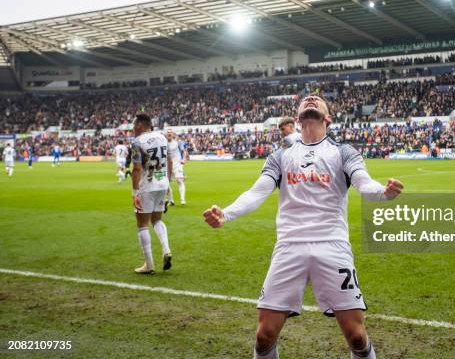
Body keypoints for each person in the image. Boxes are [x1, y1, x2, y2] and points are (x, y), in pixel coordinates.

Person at [203, 95, 404, 359]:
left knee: (356, 336)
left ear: (328, 117)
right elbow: (258, 191)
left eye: (318, 100)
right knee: (263, 336)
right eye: (306, 100)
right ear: (297, 118)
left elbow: (364, 183)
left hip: (332, 245)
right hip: (289, 246)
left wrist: (384, 192)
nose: (311, 99)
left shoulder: (343, 151)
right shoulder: (281, 155)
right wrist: (226, 214)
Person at [131, 114, 173, 274]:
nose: (133, 128)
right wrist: (168, 182)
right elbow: (169, 162)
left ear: (140, 125)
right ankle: (166, 249)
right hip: (162, 184)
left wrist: (135, 192)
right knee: (157, 220)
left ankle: (149, 265)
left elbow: (136, 168)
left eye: (135, 125)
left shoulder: (137, 142)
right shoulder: (163, 138)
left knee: (142, 224)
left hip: (147, 186)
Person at [166, 129, 187, 206]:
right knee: (166, 184)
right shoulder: (163, 143)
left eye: (170, 132)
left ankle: (182, 199)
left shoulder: (177, 143)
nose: (169, 133)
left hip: (176, 165)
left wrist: (184, 159)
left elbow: (184, 151)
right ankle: (171, 200)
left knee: (179, 180)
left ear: (173, 134)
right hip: (167, 166)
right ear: (166, 134)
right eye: (168, 132)